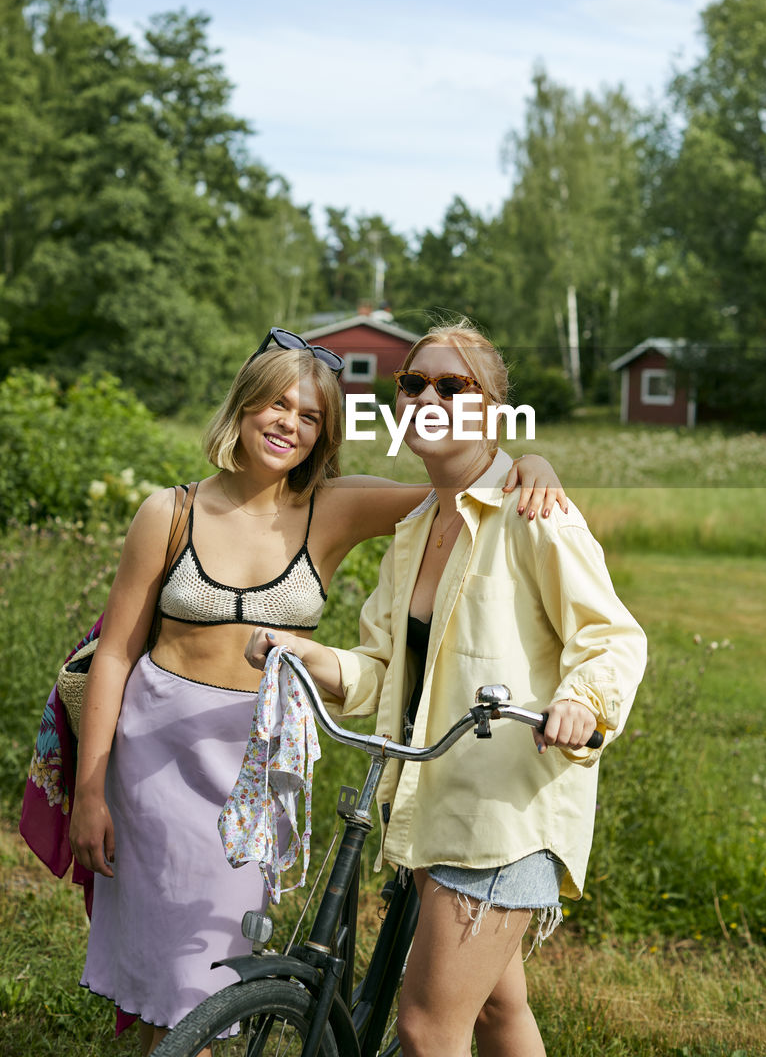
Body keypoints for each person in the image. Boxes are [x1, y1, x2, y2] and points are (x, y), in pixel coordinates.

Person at [69, 327, 567, 1056]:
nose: (287, 425)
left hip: (255, 762)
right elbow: (114, 655)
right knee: (166, 972)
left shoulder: (331, 508)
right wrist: (90, 790)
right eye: (274, 405)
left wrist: (532, 459)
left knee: (211, 961)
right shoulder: (168, 512)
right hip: (154, 760)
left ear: (325, 435)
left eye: (309, 417)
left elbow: (457, 484)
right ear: (241, 410)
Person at [248, 321, 647, 1057]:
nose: (427, 395)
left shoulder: (533, 514)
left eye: (452, 385)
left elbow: (613, 637)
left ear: (490, 410)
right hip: (434, 798)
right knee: (496, 1014)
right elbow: (376, 670)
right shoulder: (414, 528)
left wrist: (581, 702)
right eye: (413, 383)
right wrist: (302, 653)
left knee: (429, 1028)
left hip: (502, 812)